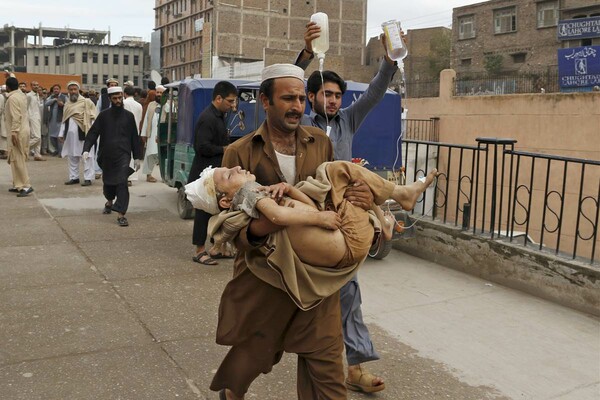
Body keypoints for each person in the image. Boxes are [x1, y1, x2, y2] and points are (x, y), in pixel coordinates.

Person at [208, 64, 377, 400]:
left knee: (328, 369)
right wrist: (271, 221)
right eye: (288, 98)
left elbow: (334, 200)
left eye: (301, 98)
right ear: (265, 101)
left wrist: (362, 199)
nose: (297, 106)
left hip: (317, 281)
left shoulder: (320, 143)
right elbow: (232, 232)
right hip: (266, 279)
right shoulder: (239, 153)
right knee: (252, 357)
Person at [294, 21, 399, 393]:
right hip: (303, 216)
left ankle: (355, 368)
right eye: (326, 93)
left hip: (342, 221)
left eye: (338, 94)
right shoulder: (299, 122)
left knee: (348, 292)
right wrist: (305, 56)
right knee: (299, 299)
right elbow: (286, 87)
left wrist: (389, 62)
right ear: (309, 97)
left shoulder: (347, 121)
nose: (334, 100)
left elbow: (372, 95)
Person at [186, 161, 436, 268]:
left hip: (347, 241)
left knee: (340, 177)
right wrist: (320, 218)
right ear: (226, 200)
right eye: (229, 174)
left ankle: (386, 220)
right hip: (348, 240)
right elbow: (279, 218)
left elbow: (310, 208)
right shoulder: (250, 196)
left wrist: (291, 190)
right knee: (333, 170)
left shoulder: (255, 195)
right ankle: (400, 197)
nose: (237, 168)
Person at [188, 80, 239, 265]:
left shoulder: (219, 116)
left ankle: (216, 248)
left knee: (217, 212)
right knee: (203, 213)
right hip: (204, 175)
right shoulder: (207, 118)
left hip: (214, 173)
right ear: (218, 98)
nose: (233, 105)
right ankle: (200, 251)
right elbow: (201, 147)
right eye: (230, 101)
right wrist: (225, 149)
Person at [83, 86, 143, 227]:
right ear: (109, 99)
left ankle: (121, 214)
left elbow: (134, 137)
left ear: (122, 97)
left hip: (123, 154)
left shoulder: (129, 116)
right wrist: (86, 149)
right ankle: (109, 201)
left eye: (119, 98)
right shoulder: (103, 116)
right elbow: (93, 133)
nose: (118, 101)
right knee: (109, 183)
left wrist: (137, 156)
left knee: (122, 181)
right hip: (107, 155)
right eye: (114, 98)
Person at [59, 81, 97, 186]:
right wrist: (61, 134)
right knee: (72, 156)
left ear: (78, 90)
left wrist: (93, 133)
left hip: (84, 134)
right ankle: (74, 177)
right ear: (68, 91)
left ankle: (88, 178)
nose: (73, 91)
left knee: (87, 156)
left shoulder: (87, 102)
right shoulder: (67, 104)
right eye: (70, 90)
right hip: (70, 136)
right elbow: (64, 119)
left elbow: (93, 117)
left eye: (75, 89)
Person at [4, 77, 33, 197]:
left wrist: (14, 132)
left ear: (7, 87)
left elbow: (16, 117)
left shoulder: (13, 98)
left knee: (18, 159)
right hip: (23, 130)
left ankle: (26, 186)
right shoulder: (21, 95)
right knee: (15, 159)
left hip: (18, 131)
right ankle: (18, 184)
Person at [139, 85, 163, 182]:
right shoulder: (151, 105)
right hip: (152, 134)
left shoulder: (169, 105)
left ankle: (164, 176)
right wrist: (144, 134)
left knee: (162, 155)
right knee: (150, 154)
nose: (159, 95)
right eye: (157, 92)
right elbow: (146, 120)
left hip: (163, 135)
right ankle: (148, 174)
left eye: (161, 93)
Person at [123, 85, 143, 186]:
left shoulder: (123, 103)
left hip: (124, 131)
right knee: (133, 154)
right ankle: (132, 176)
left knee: (125, 154)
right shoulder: (139, 105)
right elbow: (139, 120)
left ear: (124, 94)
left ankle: (125, 176)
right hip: (135, 132)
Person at [45, 84, 67, 156]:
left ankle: (61, 152)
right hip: (52, 119)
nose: (56, 90)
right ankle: (56, 150)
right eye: (54, 89)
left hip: (60, 119)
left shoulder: (64, 97)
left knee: (59, 136)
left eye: (57, 89)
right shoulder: (51, 97)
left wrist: (62, 104)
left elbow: (68, 106)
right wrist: (54, 100)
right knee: (52, 136)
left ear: (60, 90)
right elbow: (46, 104)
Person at [26, 80, 45, 161]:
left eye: (37, 85)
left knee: (39, 137)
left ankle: (37, 154)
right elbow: (25, 107)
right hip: (32, 117)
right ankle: (23, 148)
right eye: (34, 85)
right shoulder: (29, 95)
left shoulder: (37, 95)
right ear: (31, 86)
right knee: (36, 137)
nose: (36, 86)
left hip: (38, 117)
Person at [0, 85, 7, 159]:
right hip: (5, 118)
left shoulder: (1, 97)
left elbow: (0, 109)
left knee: (4, 135)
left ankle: (5, 152)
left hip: (3, 118)